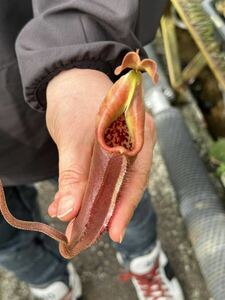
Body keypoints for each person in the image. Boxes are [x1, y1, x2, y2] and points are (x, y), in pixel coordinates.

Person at [0, 1, 184, 299]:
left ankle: (144, 259)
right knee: (7, 242)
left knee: (120, 206)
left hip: (47, 107)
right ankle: (51, 284)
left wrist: (76, 54)